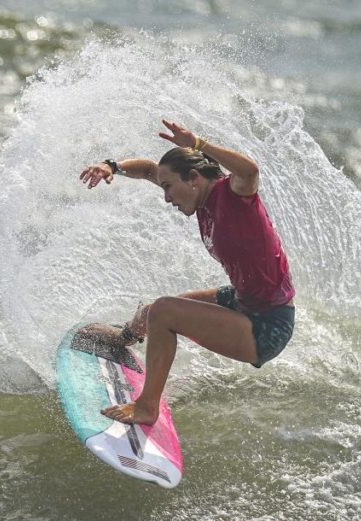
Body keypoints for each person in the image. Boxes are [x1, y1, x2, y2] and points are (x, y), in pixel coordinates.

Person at [78, 119, 295, 425]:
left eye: (169, 187)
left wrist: (198, 144)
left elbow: (249, 171)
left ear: (193, 178)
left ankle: (147, 407)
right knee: (152, 313)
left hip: (267, 326)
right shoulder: (201, 198)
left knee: (165, 311)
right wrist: (111, 166)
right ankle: (122, 338)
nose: (166, 197)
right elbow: (148, 170)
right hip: (243, 301)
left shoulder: (235, 195)